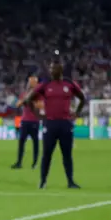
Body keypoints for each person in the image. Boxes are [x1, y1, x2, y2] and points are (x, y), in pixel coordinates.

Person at [19, 61, 85, 189]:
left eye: (53, 68)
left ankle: (70, 181)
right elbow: (28, 100)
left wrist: (76, 112)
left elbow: (82, 98)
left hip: (66, 124)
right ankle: (43, 181)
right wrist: (38, 115)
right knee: (47, 154)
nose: (51, 71)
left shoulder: (69, 84)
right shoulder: (45, 84)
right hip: (50, 124)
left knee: (67, 154)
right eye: (50, 69)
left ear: (60, 70)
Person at [11, 76, 43, 169]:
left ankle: (35, 163)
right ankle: (19, 162)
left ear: (36, 83)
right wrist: (25, 99)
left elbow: (40, 106)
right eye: (29, 82)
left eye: (32, 82)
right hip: (25, 121)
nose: (30, 84)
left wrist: (31, 100)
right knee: (21, 142)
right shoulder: (25, 94)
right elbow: (17, 104)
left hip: (34, 121)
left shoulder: (39, 94)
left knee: (35, 142)